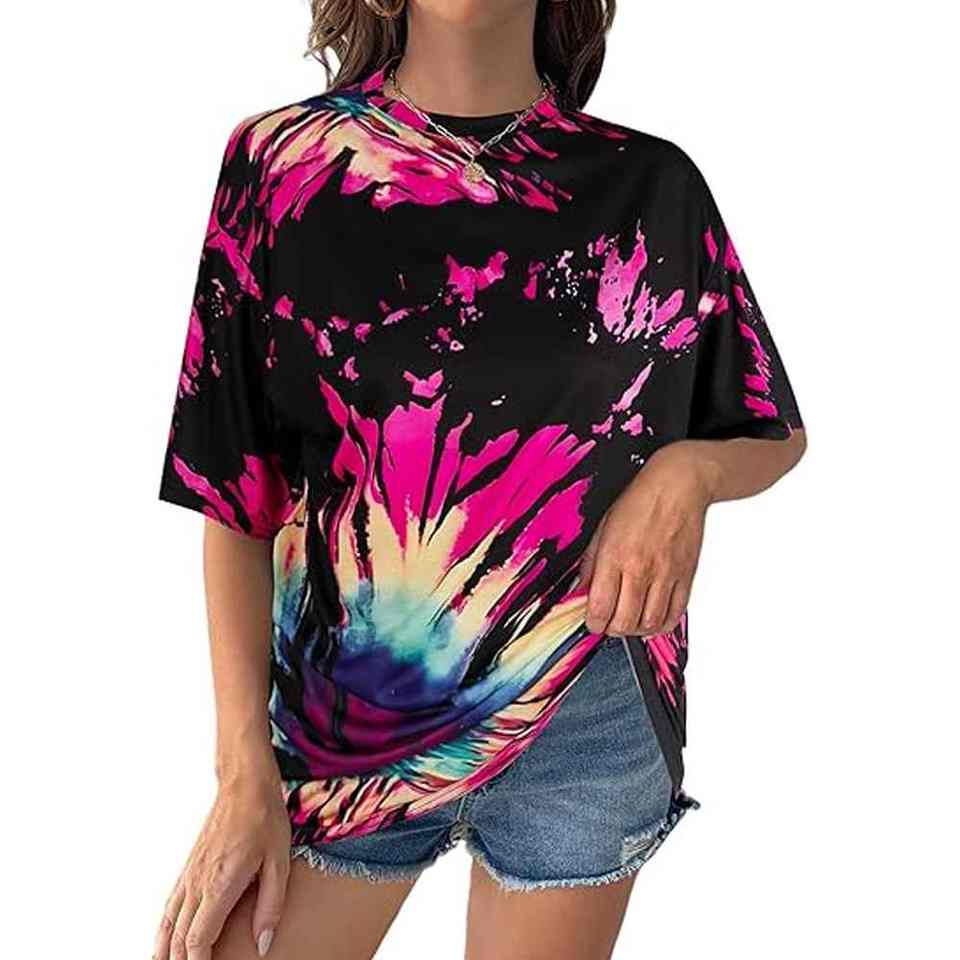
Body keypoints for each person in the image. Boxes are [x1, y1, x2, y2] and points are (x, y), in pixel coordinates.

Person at [153, 1, 807, 957]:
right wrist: (240, 769)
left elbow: (769, 427)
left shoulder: (648, 185)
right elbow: (231, 488)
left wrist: (688, 470)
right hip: (339, 726)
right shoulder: (286, 168)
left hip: (585, 711)